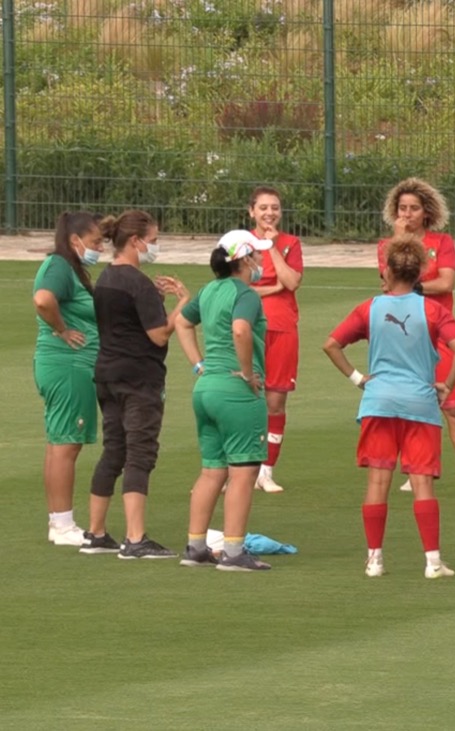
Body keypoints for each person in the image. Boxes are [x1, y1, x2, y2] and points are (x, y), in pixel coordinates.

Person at [324, 234, 455, 579]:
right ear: (420, 272)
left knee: (378, 480)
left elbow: (331, 345)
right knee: (422, 483)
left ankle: (374, 560)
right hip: (420, 403)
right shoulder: (433, 309)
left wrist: (360, 379)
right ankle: (432, 562)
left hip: (378, 403)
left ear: (387, 272)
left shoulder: (369, 308)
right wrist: (446, 384)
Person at [377, 177, 455, 495]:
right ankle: (414, 467)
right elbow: (388, 284)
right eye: (402, 208)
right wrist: (398, 243)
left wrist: (412, 287)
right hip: (404, 338)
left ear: (426, 212)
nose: (407, 214)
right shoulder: (386, 246)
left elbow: (445, 283)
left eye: (414, 208)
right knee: (409, 404)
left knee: (452, 405)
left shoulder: (442, 243)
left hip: (439, 334)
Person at [83, 210, 188, 558]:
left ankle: (96, 533)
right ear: (135, 241)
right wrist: (182, 305)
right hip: (139, 378)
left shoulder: (106, 279)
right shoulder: (138, 283)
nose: (155, 247)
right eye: (153, 241)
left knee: (113, 450)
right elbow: (159, 335)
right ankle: (135, 538)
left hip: (107, 373)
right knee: (140, 453)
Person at [174, 231, 275, 572]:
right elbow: (241, 330)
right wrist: (247, 374)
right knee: (244, 471)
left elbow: (182, 322)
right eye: (256, 256)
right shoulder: (245, 294)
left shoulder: (208, 291)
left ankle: (196, 547)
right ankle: (233, 552)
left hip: (206, 389)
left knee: (211, 470)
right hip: (235, 392)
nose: (260, 262)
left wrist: (198, 364)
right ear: (244, 260)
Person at [32, 211, 104, 547]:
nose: (99, 248)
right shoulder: (60, 265)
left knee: (59, 442)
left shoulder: (67, 267)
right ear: (75, 241)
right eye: (94, 242)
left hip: (64, 365)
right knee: (66, 445)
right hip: (69, 365)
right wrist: (62, 330)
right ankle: (62, 526)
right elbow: (43, 300)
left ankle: (58, 521)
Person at [247, 187, 304, 494]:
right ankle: (240, 469)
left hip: (282, 327)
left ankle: (266, 471)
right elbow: (234, 286)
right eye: (264, 208)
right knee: (244, 397)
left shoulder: (290, 243)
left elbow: (292, 281)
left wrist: (269, 247)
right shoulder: (239, 242)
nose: (270, 213)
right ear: (251, 211)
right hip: (248, 327)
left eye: (275, 208)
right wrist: (273, 289)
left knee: (275, 401)